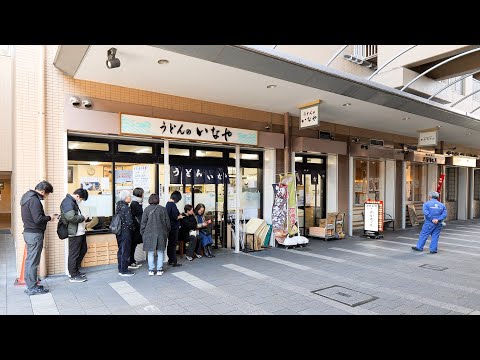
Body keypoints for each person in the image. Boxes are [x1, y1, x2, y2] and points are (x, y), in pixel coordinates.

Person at [20, 181, 55, 296]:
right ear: (43, 191)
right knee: (33, 261)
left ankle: (31, 284)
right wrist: (50, 217)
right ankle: (32, 287)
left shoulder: (26, 197)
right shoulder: (34, 200)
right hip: (34, 234)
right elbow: (38, 219)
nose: (45, 197)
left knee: (30, 260)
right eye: (47, 194)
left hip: (29, 233)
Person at [60, 188, 89, 283]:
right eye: (81, 199)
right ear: (77, 196)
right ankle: (73, 275)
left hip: (80, 231)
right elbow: (71, 217)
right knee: (74, 254)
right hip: (74, 233)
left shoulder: (72, 201)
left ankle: (76, 271)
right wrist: (83, 217)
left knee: (83, 250)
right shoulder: (68, 202)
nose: (80, 201)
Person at [140, 194, 171, 276]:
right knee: (160, 252)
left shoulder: (146, 209)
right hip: (161, 233)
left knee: (150, 252)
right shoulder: (163, 209)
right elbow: (168, 223)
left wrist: (143, 233)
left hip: (149, 234)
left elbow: (143, 223)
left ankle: (151, 270)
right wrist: (167, 232)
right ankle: (159, 270)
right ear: (158, 200)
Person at [115, 190, 136, 276]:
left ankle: (120, 268)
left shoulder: (118, 206)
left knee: (120, 250)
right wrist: (133, 228)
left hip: (119, 231)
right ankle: (124, 270)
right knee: (125, 251)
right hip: (125, 232)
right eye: (129, 196)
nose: (130, 198)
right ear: (126, 198)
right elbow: (129, 222)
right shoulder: (126, 207)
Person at [166, 191, 184, 267]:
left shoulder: (167, 204)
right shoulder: (172, 205)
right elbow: (174, 217)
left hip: (169, 227)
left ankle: (170, 260)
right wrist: (180, 216)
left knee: (170, 243)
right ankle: (174, 261)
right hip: (173, 227)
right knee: (173, 244)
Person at [128, 187, 144, 270]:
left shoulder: (136, 203)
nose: (143, 195)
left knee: (134, 245)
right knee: (133, 245)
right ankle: (131, 262)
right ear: (139, 194)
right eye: (142, 193)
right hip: (135, 228)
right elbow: (137, 217)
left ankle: (132, 260)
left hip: (136, 227)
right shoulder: (135, 204)